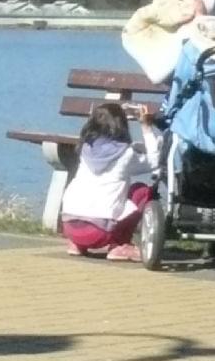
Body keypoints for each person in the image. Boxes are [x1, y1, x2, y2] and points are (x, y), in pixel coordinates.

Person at [59, 102, 157, 262]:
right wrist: (146, 127)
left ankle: (77, 244)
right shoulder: (126, 154)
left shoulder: (85, 148)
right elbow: (154, 161)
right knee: (141, 191)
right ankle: (119, 245)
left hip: (70, 226)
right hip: (99, 232)